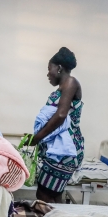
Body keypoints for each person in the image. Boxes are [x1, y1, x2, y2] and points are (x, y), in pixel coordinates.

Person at [30, 47, 84, 203]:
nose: (48, 74)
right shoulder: (63, 87)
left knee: (44, 195)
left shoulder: (71, 82)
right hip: (58, 150)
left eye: (49, 69)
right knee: (53, 194)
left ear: (59, 68)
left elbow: (60, 115)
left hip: (66, 152)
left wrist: (37, 138)